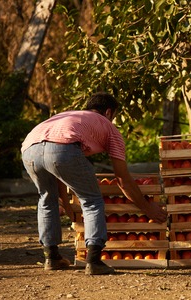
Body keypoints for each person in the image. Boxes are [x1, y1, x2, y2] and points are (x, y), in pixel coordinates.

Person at [21, 92, 167, 275]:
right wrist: (147, 208)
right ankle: (94, 260)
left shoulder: (70, 117)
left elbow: (57, 169)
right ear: (108, 112)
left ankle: (51, 257)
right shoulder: (108, 127)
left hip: (29, 149)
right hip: (62, 149)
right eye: (113, 117)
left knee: (46, 199)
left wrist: (67, 206)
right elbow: (122, 178)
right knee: (91, 200)